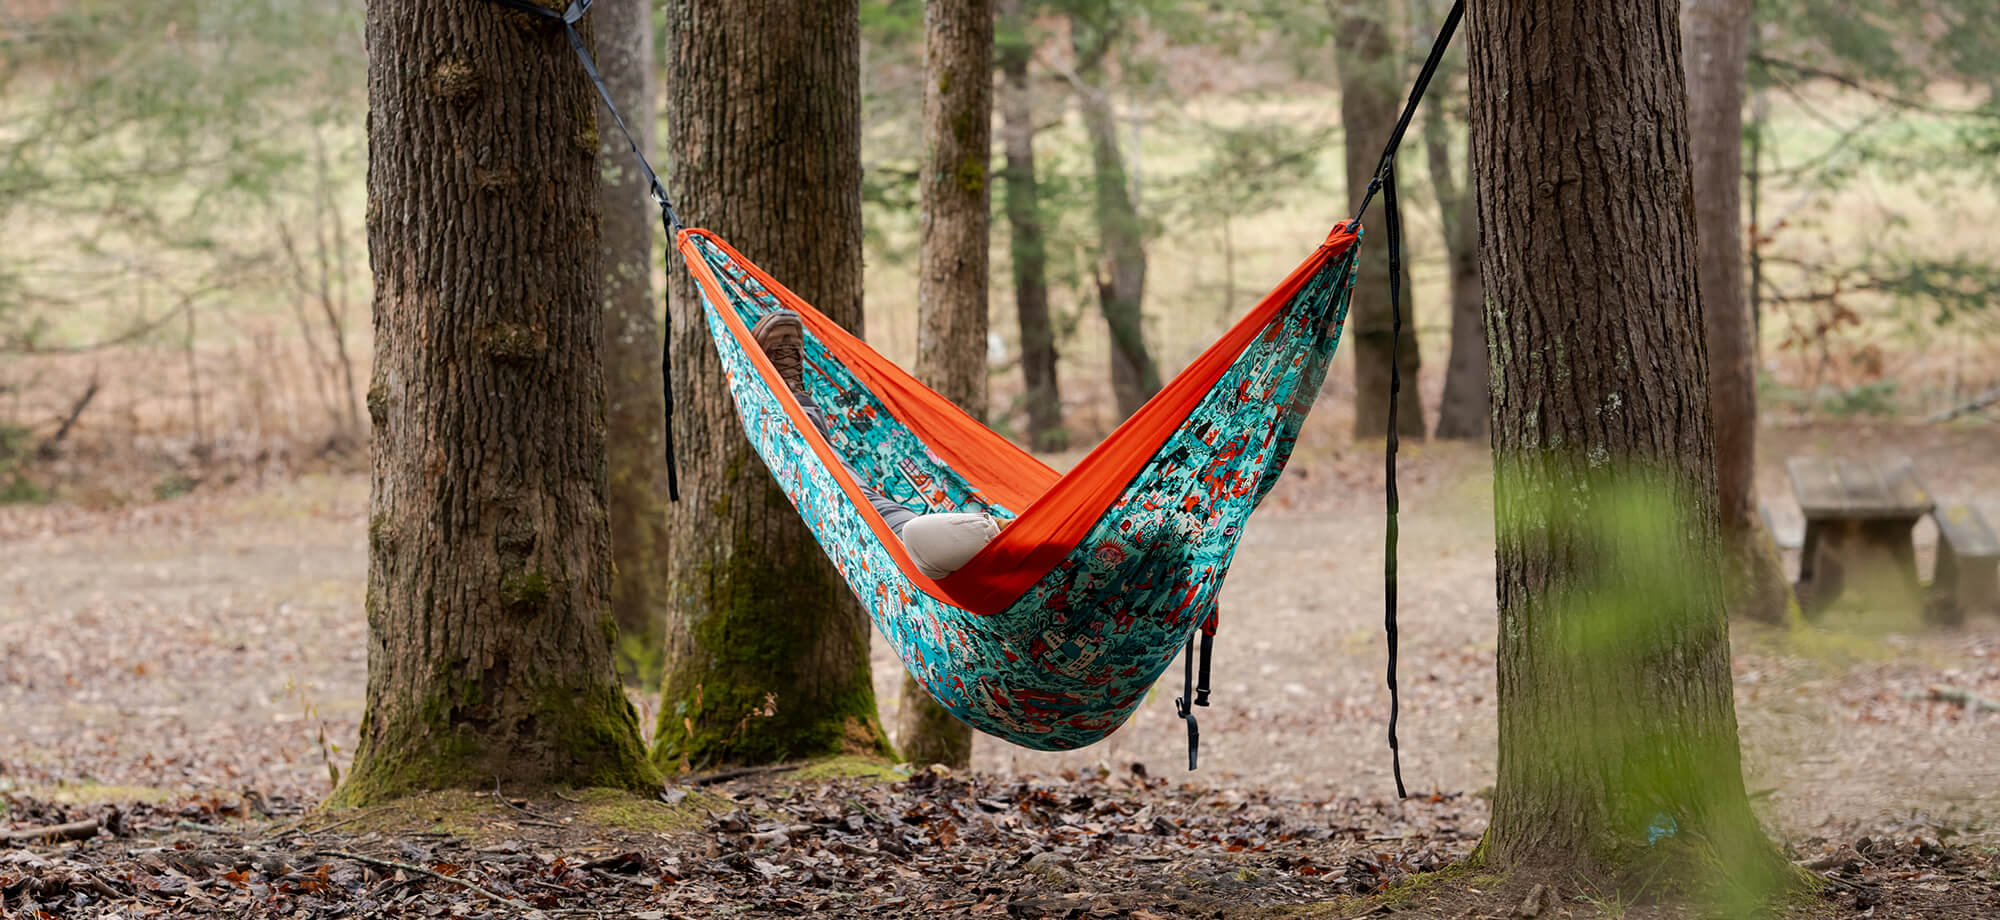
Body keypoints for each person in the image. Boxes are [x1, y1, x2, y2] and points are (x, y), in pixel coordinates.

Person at [751, 309, 1002, 580]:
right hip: (918, 546)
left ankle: (793, 403)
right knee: (850, 492)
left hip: (939, 577)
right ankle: (796, 404)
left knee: (862, 507)